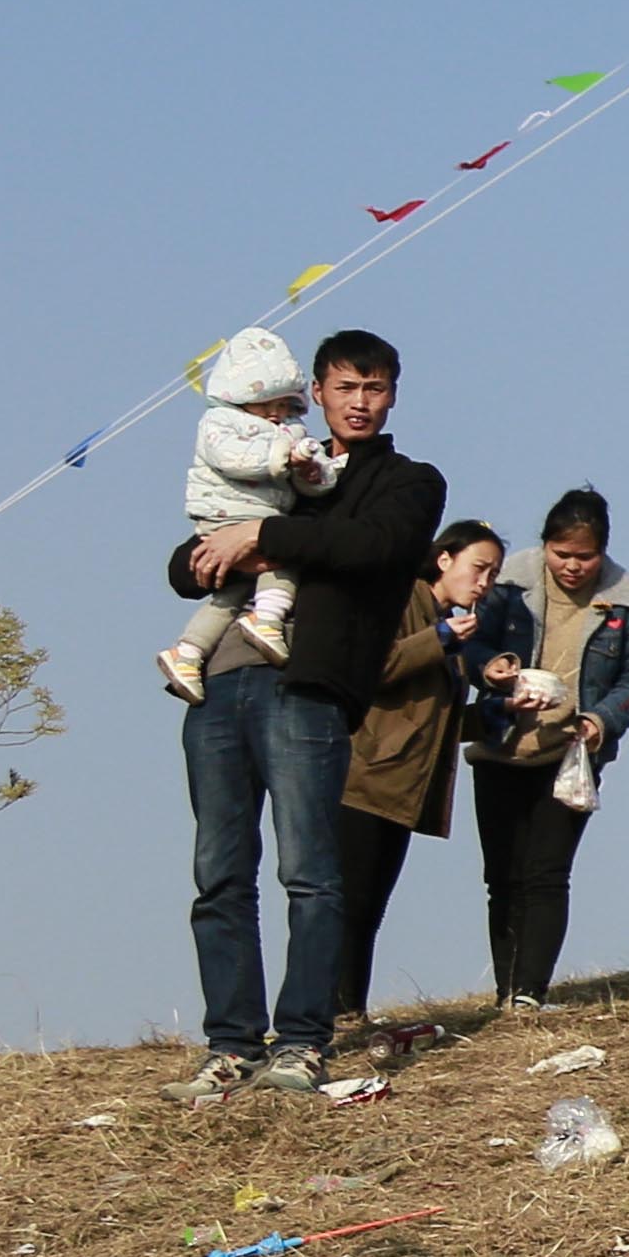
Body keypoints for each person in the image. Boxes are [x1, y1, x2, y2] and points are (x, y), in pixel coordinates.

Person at [165, 330, 443, 1093]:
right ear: (315, 391)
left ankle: (301, 1038)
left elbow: (373, 545)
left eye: (375, 388)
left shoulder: (408, 480)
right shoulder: (273, 453)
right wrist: (243, 539)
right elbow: (188, 563)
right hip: (218, 680)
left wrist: (261, 535)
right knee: (219, 873)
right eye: (346, 386)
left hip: (309, 685)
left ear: (392, 396)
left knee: (310, 871)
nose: (360, 401)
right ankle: (230, 1043)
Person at [456, 489, 629, 1010]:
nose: (571, 566)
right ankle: (505, 991)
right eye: (561, 554)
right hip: (501, 745)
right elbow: (469, 642)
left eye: (584, 557)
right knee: (501, 876)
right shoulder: (507, 586)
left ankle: (530, 992)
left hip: (571, 756)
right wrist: (490, 668)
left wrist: (600, 720)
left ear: (603, 552)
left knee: (546, 874)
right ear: (544, 546)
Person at [330, 521, 499, 1020]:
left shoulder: (449, 625)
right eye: (478, 568)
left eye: (493, 574)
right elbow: (372, 667)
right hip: (365, 777)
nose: (484, 583)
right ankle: (326, 1012)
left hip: (405, 787)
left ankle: (347, 1010)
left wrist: (490, 717)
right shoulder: (403, 602)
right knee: (347, 903)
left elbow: (431, 717)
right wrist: (438, 640)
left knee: (369, 906)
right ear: (444, 559)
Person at [157, 327, 332, 700]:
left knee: (231, 594)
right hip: (227, 513)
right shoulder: (220, 424)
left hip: (261, 514)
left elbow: (310, 478)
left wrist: (312, 470)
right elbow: (235, 459)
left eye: (284, 404)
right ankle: (267, 616)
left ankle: (188, 651)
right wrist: (282, 456)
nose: (276, 413)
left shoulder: (292, 432)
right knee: (282, 561)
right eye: (267, 403)